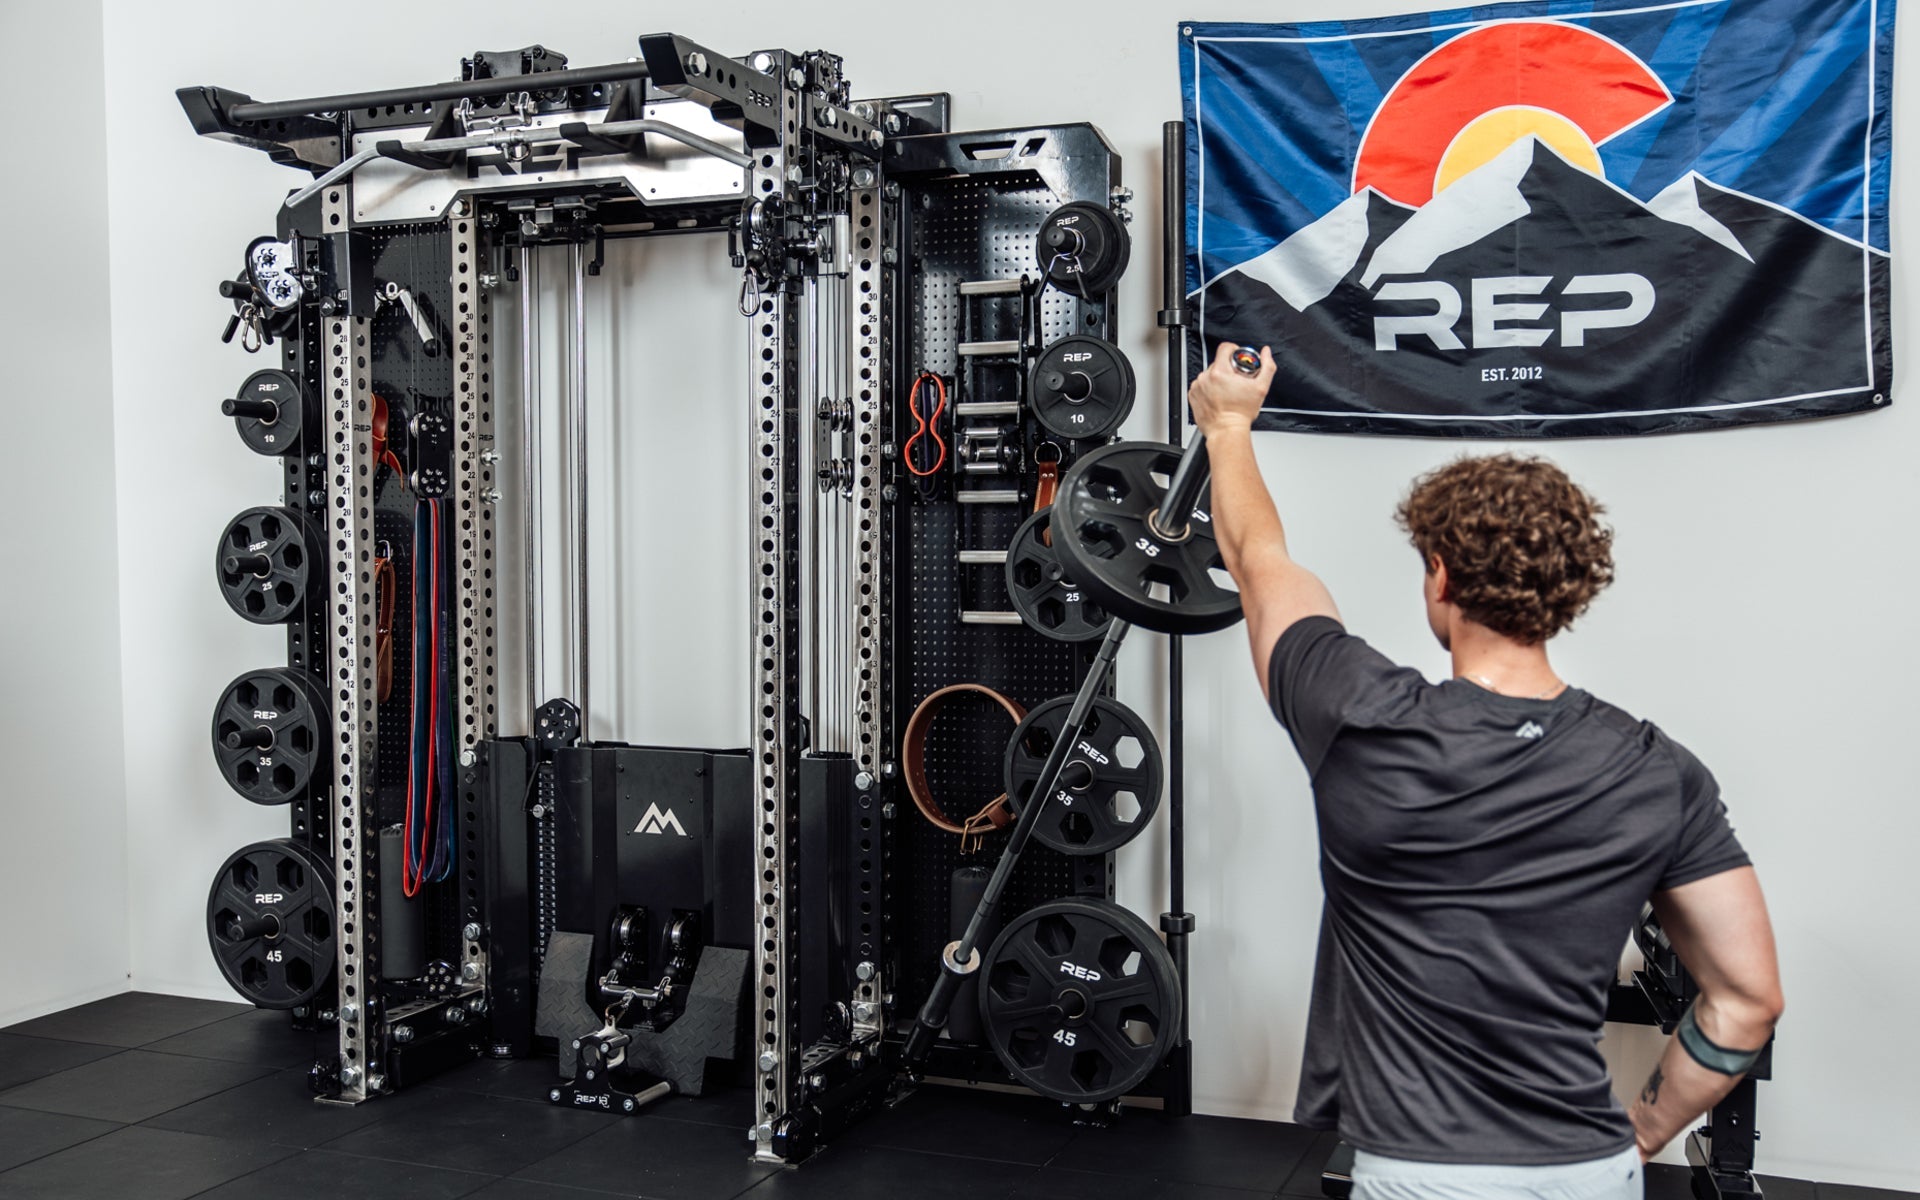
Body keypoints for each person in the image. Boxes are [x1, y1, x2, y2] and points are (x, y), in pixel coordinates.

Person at [1189, 343, 1785, 1200]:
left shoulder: (1359, 714)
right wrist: (1643, 1134)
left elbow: (1259, 561)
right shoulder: (1659, 771)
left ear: (1440, 576)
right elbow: (1747, 1003)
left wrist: (1229, 424)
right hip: (1590, 1172)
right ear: (1570, 589)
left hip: (1419, 1174)